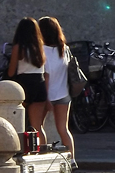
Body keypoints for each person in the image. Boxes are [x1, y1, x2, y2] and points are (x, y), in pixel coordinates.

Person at [39, 16, 75, 161]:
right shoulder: (64, 49)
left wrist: (47, 99)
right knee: (64, 129)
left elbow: (46, 76)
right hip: (64, 93)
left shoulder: (42, 50)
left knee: (38, 127)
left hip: (48, 94)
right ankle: (72, 158)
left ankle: (41, 156)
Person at [7, 16, 49, 139]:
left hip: (24, 84)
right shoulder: (41, 48)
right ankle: (42, 153)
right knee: (38, 126)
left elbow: (11, 72)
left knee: (19, 123)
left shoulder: (19, 48)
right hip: (40, 84)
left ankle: (22, 151)